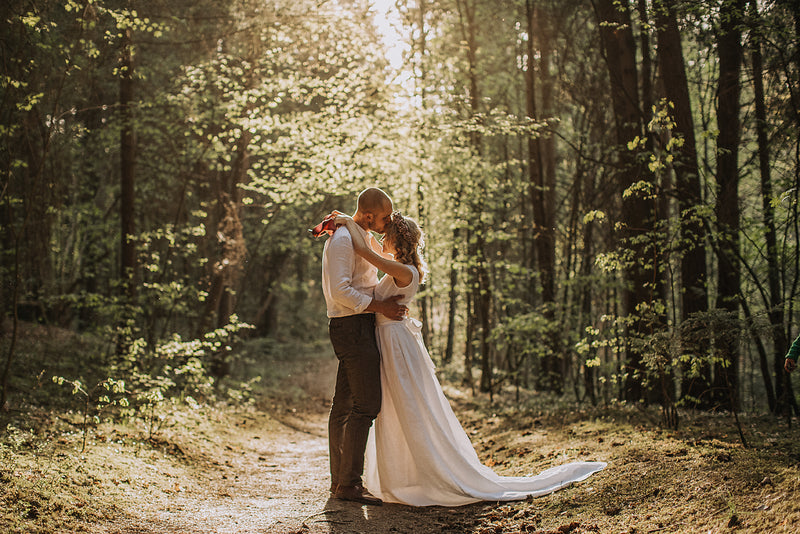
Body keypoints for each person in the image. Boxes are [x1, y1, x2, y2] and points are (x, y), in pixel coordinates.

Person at [333, 211, 607, 507]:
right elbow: (372, 249)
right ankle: (401, 471)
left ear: (396, 242)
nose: (380, 239)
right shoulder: (401, 265)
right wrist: (353, 222)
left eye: (386, 235)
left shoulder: (405, 271)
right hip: (388, 339)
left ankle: (427, 471)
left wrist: (350, 222)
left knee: (408, 406)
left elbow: (364, 250)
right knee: (395, 409)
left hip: (395, 343)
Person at [319, 187, 407, 506]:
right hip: (350, 326)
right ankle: (349, 485)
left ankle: (340, 481)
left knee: (344, 404)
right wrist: (379, 307)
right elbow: (340, 291)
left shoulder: (358, 234)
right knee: (366, 405)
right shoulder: (343, 240)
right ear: (369, 215)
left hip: (359, 326)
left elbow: (375, 269)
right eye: (385, 216)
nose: (389, 221)